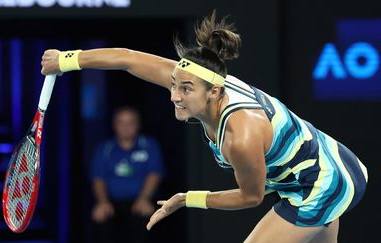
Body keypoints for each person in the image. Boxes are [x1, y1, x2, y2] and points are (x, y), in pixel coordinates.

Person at [41, 11, 368, 243]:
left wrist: (187, 198)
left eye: (185, 90)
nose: (174, 96)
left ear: (213, 92)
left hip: (322, 183)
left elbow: (252, 196)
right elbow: (127, 58)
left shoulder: (241, 135)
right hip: (318, 166)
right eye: (174, 85)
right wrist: (69, 60)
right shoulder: (198, 76)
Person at [89, 106, 164, 243]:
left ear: (138, 124)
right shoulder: (105, 149)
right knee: (100, 216)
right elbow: (98, 178)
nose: (125, 127)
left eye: (130, 122)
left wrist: (144, 198)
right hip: (112, 203)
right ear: (114, 125)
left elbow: (154, 174)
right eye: (121, 122)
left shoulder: (149, 145)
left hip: (141, 202)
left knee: (150, 217)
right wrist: (103, 202)